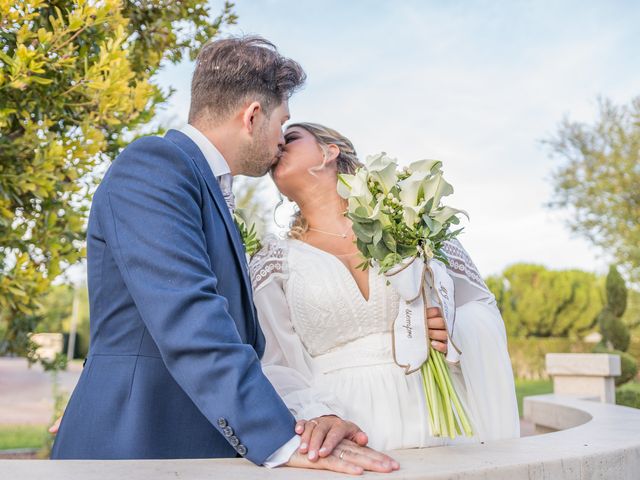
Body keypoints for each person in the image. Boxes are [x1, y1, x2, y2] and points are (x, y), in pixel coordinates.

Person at [50, 37, 398, 475]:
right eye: (282, 123)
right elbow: (189, 319)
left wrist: (307, 421)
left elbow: (251, 345)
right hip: (136, 440)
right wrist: (279, 441)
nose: (280, 143)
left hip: (194, 449)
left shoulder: (204, 188)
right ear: (253, 116)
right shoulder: (155, 165)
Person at [249, 123, 521, 455]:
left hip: (433, 415)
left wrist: (453, 327)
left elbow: (479, 304)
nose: (278, 143)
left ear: (329, 151)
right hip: (345, 427)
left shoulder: (410, 221)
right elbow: (275, 362)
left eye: (290, 138)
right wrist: (317, 414)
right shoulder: (274, 260)